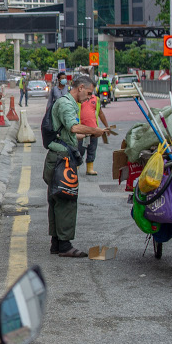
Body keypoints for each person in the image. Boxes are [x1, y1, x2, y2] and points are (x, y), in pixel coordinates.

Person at [44, 76, 105, 258]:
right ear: (80, 88)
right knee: (66, 200)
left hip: (59, 155)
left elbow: (69, 134)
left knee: (57, 199)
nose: (88, 98)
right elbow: (74, 128)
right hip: (61, 158)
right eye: (88, 93)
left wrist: (89, 136)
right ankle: (65, 245)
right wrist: (95, 130)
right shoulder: (66, 104)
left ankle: (56, 243)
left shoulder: (67, 102)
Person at [77, 89, 110, 176]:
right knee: (80, 149)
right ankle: (75, 167)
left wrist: (107, 126)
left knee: (92, 149)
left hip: (94, 130)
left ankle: (90, 168)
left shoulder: (96, 99)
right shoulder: (79, 99)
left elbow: (100, 113)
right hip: (82, 130)